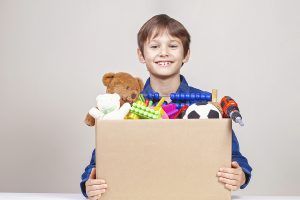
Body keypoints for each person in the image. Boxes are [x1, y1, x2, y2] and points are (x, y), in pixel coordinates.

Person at [80, 14, 252, 199]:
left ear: (186, 54)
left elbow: (235, 158)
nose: (164, 53)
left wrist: (240, 175)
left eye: (173, 46)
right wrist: (89, 184)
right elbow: (99, 161)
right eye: (154, 46)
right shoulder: (126, 106)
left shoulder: (207, 106)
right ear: (141, 55)